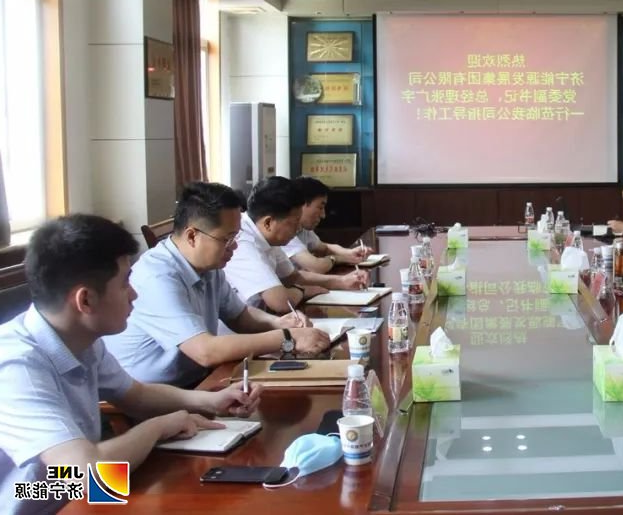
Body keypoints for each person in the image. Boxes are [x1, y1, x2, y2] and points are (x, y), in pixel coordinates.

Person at [0, 215, 261, 514]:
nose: (134, 294)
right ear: (86, 301)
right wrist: (158, 428)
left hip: (74, 498)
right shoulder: (17, 367)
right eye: (125, 283)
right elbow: (84, 476)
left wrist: (211, 401)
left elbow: (135, 394)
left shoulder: (80, 337)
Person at [104, 182, 331, 387]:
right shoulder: (157, 277)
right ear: (192, 236)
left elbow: (240, 316)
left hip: (199, 379)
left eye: (236, 237)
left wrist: (278, 322)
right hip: (155, 396)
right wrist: (287, 337)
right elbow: (205, 351)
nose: (234, 247)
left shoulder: (209, 266)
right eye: (227, 239)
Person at [223, 176, 368, 314]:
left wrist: (342, 281)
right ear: (268, 223)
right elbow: (280, 301)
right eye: (295, 222)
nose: (299, 228)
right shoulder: (242, 242)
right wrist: (303, 291)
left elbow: (293, 277)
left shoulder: (267, 235)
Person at [285, 176, 371, 274]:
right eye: (320, 207)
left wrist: (349, 253)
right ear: (302, 204)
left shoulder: (302, 229)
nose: (323, 215)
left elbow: (324, 248)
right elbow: (316, 267)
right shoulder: (285, 232)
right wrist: (336, 258)